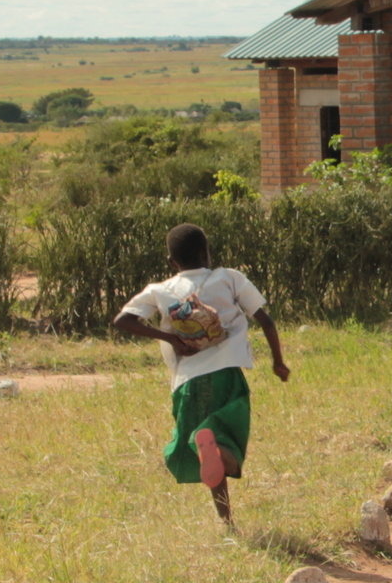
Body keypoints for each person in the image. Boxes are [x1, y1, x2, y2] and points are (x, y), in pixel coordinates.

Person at [113, 223, 291, 527]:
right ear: (207, 253)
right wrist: (278, 362)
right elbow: (266, 320)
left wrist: (171, 339)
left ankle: (226, 521)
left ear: (172, 262)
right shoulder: (229, 278)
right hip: (227, 377)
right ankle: (218, 453)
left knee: (204, 450)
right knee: (229, 443)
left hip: (188, 383)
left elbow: (122, 321)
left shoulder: (160, 290)